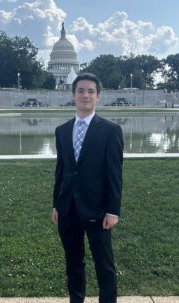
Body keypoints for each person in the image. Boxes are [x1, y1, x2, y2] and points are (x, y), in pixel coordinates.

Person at [52, 73, 124, 303]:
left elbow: (114, 174)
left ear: (98, 97)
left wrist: (113, 211)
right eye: (81, 90)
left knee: (105, 265)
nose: (85, 95)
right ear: (73, 95)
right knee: (73, 263)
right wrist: (57, 204)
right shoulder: (62, 130)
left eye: (90, 91)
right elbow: (61, 170)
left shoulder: (110, 130)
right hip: (68, 209)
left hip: (98, 210)